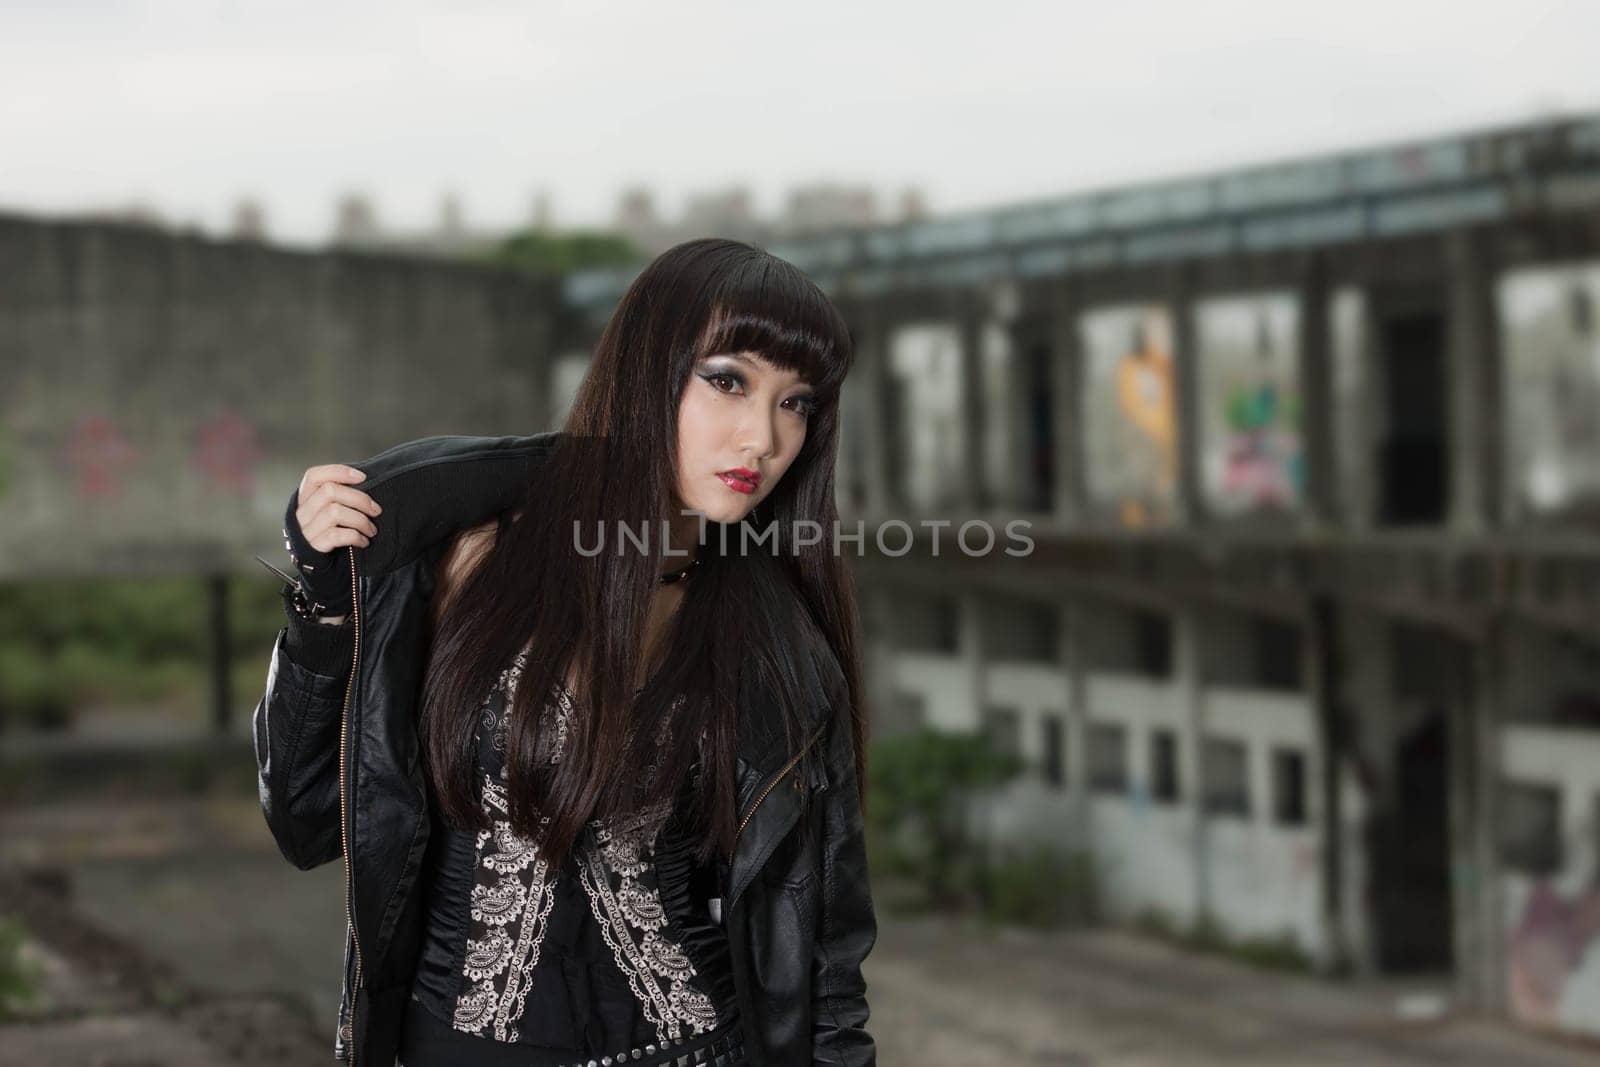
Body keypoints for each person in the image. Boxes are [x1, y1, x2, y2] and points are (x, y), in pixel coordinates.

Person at [252, 237, 877, 1067]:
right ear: (646, 369)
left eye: (796, 402)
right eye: (727, 380)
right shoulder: (473, 556)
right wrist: (325, 613)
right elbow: (304, 820)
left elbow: (828, 969)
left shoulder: (782, 650)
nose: (761, 437)